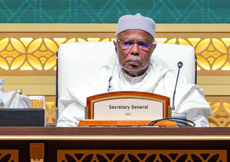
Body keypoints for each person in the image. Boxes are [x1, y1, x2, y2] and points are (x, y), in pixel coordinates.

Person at [56, 13, 211, 127]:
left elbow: (199, 125)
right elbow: (66, 124)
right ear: (115, 47)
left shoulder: (172, 84)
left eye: (143, 44)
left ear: (153, 48)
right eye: (127, 43)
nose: (135, 50)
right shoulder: (101, 81)